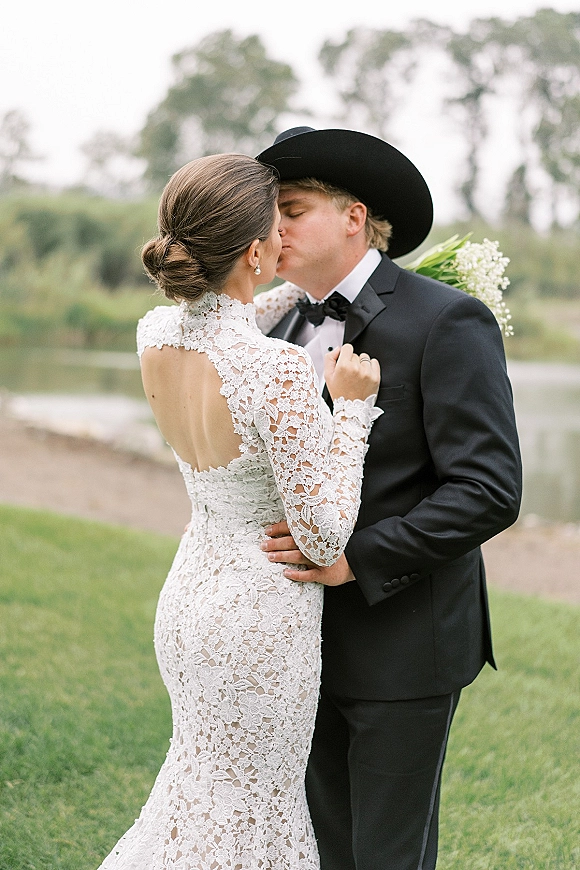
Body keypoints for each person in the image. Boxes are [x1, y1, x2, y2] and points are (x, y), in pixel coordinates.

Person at [96, 153, 382, 869]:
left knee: (198, 793)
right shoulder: (277, 368)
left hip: (190, 600)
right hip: (259, 616)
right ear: (254, 251)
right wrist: (352, 411)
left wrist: (278, 293)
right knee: (254, 811)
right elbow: (322, 534)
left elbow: (225, 317)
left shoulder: (153, 336)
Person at [256, 127, 523, 870]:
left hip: (404, 644)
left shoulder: (446, 319)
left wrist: (356, 559)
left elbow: (489, 490)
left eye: (292, 208)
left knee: (386, 858)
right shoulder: (271, 322)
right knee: (323, 850)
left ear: (353, 216)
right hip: (293, 644)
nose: (272, 228)